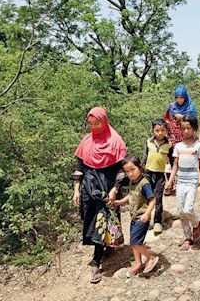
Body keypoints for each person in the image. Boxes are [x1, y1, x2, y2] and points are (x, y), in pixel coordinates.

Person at [72, 107, 127, 284]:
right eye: (91, 124)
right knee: (90, 219)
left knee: (102, 221)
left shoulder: (115, 141)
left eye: (98, 123)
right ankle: (106, 246)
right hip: (89, 189)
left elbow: (122, 169)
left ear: (105, 121)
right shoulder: (87, 142)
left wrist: (115, 189)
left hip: (107, 187)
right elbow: (79, 168)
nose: (94, 127)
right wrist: (76, 189)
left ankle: (96, 261)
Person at [164, 115, 200, 251]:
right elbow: (175, 165)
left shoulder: (198, 146)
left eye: (188, 128)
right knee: (181, 212)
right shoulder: (178, 146)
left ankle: (196, 223)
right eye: (183, 129)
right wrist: (170, 181)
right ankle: (188, 238)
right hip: (180, 182)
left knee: (188, 209)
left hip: (192, 182)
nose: (186, 131)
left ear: (194, 129)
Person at [113, 155, 159, 277]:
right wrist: (120, 201)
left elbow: (152, 200)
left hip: (141, 218)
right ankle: (138, 264)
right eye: (127, 171)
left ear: (140, 167)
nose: (130, 173)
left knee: (134, 242)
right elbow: (132, 195)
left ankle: (150, 258)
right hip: (133, 217)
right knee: (134, 241)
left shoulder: (144, 183)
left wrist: (147, 213)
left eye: (132, 169)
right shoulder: (132, 182)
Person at [164, 85, 198, 194]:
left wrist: (182, 117)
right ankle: (170, 184)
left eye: (181, 97)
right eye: (177, 97)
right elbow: (166, 119)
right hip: (172, 137)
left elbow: (193, 121)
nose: (179, 100)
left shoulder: (190, 107)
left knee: (183, 159)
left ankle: (184, 183)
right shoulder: (171, 106)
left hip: (184, 137)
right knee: (170, 160)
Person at [142, 119, 173, 234]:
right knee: (146, 197)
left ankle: (157, 222)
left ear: (166, 131)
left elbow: (172, 160)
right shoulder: (148, 142)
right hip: (147, 173)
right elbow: (145, 156)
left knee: (158, 198)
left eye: (162, 130)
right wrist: (140, 169)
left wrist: (171, 177)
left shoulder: (168, 145)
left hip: (160, 174)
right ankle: (145, 219)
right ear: (153, 130)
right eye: (157, 130)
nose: (160, 133)